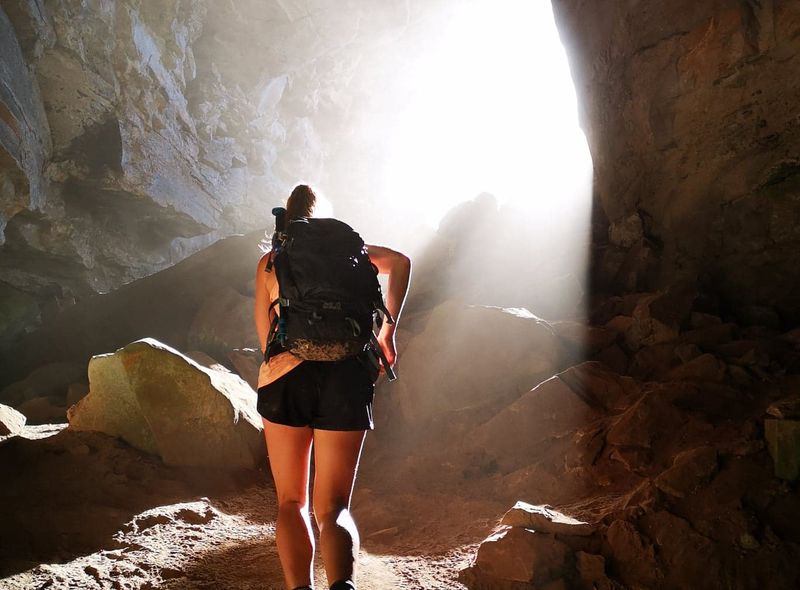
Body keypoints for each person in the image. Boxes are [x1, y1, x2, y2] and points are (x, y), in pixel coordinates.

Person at [254, 185, 411, 590]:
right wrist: (388, 333)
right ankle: (343, 585)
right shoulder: (353, 252)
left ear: (287, 221)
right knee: (334, 507)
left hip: (287, 377)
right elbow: (401, 261)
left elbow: (264, 337)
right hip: (347, 377)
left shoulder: (272, 262)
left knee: (291, 502)